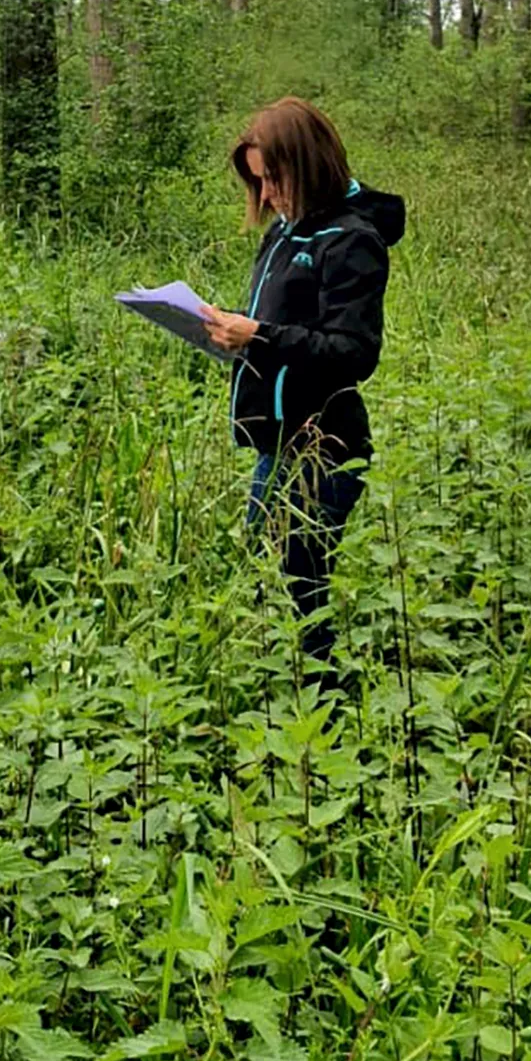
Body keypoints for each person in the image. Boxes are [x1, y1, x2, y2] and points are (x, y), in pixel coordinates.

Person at [202, 97, 405, 686]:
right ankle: (293, 687)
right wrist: (230, 331)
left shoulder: (353, 241)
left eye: (273, 179)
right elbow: (282, 327)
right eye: (258, 183)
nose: (266, 197)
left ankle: (325, 699)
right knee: (265, 564)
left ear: (308, 165)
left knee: (300, 576)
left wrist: (259, 335)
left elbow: (353, 353)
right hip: (278, 441)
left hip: (328, 447)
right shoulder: (283, 232)